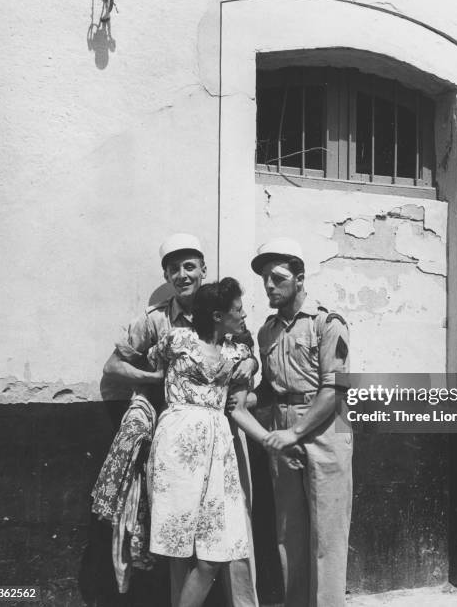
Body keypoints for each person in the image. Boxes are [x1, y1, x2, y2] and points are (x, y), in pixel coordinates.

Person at [101, 234, 260, 607]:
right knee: (179, 542)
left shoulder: (229, 314)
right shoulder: (158, 321)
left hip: (223, 433)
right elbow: (114, 365)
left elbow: (249, 361)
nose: (182, 275)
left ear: (203, 270)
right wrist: (154, 379)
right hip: (176, 438)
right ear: (167, 275)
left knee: (230, 538)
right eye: (174, 269)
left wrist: (247, 367)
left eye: (190, 266)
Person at [146, 278, 303, 607]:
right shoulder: (177, 339)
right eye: (238, 310)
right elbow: (150, 368)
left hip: (218, 447)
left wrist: (273, 443)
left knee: (214, 554)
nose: (244, 315)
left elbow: (239, 410)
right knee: (177, 549)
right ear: (217, 316)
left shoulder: (238, 353)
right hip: (176, 444)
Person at [251, 237, 353, 607]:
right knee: (289, 531)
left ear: (299, 278)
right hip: (283, 426)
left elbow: (333, 391)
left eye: (277, 278)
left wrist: (295, 431)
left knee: (327, 532)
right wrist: (240, 398)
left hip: (324, 429)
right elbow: (267, 387)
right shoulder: (267, 331)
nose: (268, 286)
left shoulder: (328, 324)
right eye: (265, 279)